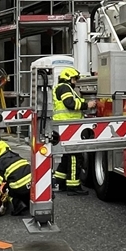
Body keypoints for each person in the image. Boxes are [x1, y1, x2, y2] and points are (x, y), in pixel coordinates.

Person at [52, 67, 88, 195]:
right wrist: (86, 105)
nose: (75, 82)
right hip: (67, 125)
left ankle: (60, 182)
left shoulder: (62, 88)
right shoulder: (65, 88)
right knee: (74, 156)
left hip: (65, 125)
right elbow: (70, 104)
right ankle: (73, 186)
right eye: (74, 79)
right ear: (68, 78)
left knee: (66, 157)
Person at [0, 140, 32, 215]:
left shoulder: (0, 163)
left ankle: (18, 205)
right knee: (14, 184)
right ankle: (28, 202)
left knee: (7, 190)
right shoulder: (17, 156)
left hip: (19, 187)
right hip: (32, 184)